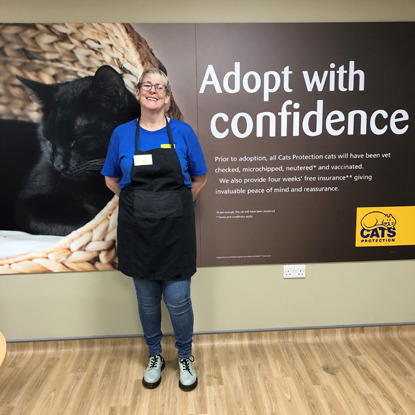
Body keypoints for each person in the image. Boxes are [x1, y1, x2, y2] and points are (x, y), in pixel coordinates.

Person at [101, 68, 208, 391]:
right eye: (147, 85)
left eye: (159, 87)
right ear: (138, 93)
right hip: (138, 232)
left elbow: (200, 177)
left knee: (178, 301)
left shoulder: (184, 133)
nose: (153, 90)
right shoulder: (121, 134)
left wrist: (174, 204)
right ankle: (154, 356)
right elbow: (110, 178)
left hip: (176, 232)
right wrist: (138, 205)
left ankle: (185, 356)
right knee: (147, 302)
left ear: (167, 97)